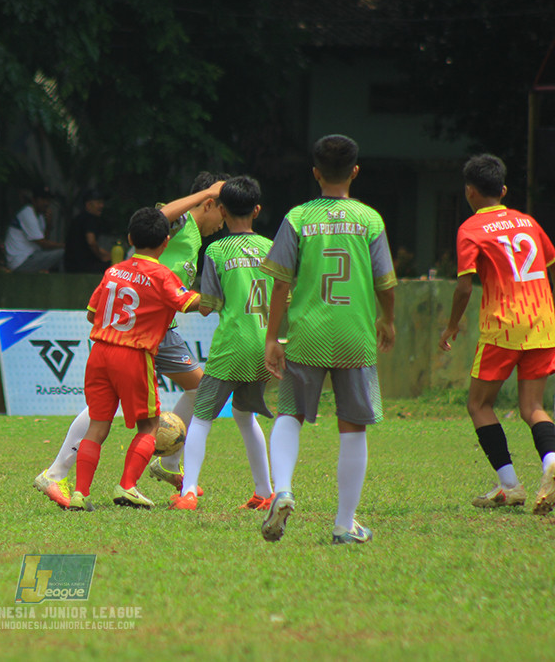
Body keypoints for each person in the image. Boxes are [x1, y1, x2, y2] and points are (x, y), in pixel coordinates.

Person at [33, 175, 226, 507]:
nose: (222, 225)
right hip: (146, 330)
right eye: (223, 213)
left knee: (113, 411)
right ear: (209, 204)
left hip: (144, 331)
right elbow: (155, 220)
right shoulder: (179, 225)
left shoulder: (121, 269)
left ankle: (162, 463)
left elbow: (93, 312)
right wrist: (223, 300)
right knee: (195, 393)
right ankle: (61, 473)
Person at [259, 134, 396, 545]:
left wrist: (272, 337)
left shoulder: (298, 217)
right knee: (353, 428)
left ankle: (282, 490)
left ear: (316, 173)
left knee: (289, 414)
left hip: (308, 334)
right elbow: (384, 281)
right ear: (354, 171)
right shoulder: (370, 220)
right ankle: (344, 524)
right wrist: (387, 319)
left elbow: (280, 284)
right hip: (354, 334)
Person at [439, 154, 555, 514]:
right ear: (503, 190)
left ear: (469, 192)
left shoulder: (470, 229)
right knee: (533, 407)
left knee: (478, 404)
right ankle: (552, 463)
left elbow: (463, 288)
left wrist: (452, 324)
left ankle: (509, 484)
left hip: (503, 324)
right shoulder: (528, 222)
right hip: (543, 321)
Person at [67, 207, 202, 511]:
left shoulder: (113, 271)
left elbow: (92, 313)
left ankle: (79, 493)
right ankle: (127, 486)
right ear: (166, 242)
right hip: (134, 354)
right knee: (150, 425)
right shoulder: (161, 274)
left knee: (97, 427)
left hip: (100, 352)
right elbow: (187, 302)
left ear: (129, 238)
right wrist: (218, 299)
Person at [171, 176, 274, 511]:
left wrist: (184, 297)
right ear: (257, 209)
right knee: (246, 417)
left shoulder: (216, 250)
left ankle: (188, 492)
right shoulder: (273, 248)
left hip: (232, 345)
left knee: (201, 417)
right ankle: (264, 492)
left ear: (223, 209)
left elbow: (209, 305)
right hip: (263, 345)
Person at [4, 186, 64, 273]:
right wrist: (66, 246)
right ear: (34, 200)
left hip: (32, 256)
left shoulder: (40, 216)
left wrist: (48, 225)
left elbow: (43, 242)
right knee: (63, 253)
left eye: (48, 200)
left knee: (61, 257)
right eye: (42, 200)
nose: (46, 203)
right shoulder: (27, 213)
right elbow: (43, 244)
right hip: (21, 261)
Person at [64, 189, 112, 273]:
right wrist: (101, 257)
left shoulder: (79, 218)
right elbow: (91, 242)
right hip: (84, 266)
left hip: (71, 265)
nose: (101, 206)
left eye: (102, 203)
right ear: (88, 205)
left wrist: (108, 254)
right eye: (98, 203)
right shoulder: (90, 219)